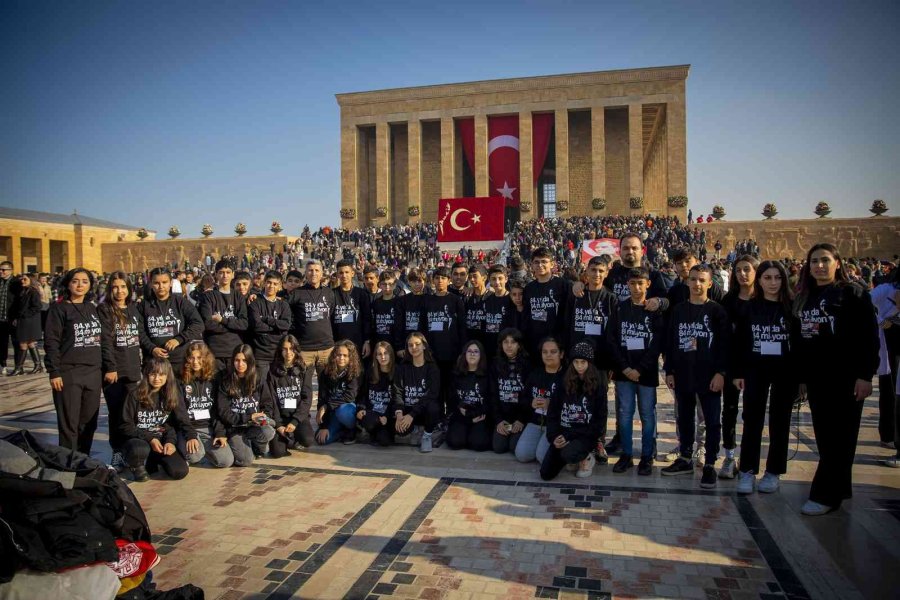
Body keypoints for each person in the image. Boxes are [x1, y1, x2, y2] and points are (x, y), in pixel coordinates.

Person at [794, 243, 878, 515]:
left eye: (825, 260)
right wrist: (802, 378)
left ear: (837, 263)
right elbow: (802, 341)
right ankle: (841, 487)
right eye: (814, 261)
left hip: (846, 378)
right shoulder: (805, 296)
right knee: (826, 436)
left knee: (840, 437)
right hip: (818, 378)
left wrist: (865, 375)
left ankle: (825, 495)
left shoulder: (852, 293)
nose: (819, 265)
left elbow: (869, 337)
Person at [732, 261, 798, 494]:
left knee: (780, 421)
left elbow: (800, 344)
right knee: (752, 421)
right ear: (759, 280)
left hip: (785, 371)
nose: (772, 283)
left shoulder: (793, 307)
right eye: (767, 278)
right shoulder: (749, 308)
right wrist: (738, 372)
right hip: (755, 369)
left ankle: (773, 471)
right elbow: (739, 342)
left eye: (777, 277)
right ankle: (747, 470)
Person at [661, 264, 730, 489]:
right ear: (687, 281)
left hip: (709, 375)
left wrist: (721, 372)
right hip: (683, 374)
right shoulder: (679, 310)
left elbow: (724, 346)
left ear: (710, 283)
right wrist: (669, 370)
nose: (697, 284)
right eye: (693, 279)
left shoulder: (717, 311)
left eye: (702, 280)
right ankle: (685, 457)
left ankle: (710, 463)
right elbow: (670, 342)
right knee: (685, 417)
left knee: (711, 421)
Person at [608, 267, 665, 476]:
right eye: (633, 283)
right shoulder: (620, 308)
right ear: (627, 285)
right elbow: (611, 339)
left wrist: (640, 369)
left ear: (648, 284)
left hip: (646, 372)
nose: (637, 287)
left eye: (641, 283)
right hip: (624, 371)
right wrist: (625, 367)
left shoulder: (653, 310)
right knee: (624, 413)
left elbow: (657, 343)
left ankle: (647, 456)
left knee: (648, 415)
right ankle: (626, 455)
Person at [44, 268, 103, 454]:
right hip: (69, 373)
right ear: (68, 284)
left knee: (89, 423)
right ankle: (69, 463)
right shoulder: (59, 309)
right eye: (75, 281)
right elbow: (51, 341)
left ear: (90, 285)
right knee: (69, 423)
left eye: (84, 281)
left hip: (93, 373)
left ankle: (83, 460)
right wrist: (54, 371)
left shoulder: (92, 308)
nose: (80, 285)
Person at [540, 342, 606, 480]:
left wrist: (570, 436)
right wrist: (553, 437)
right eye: (576, 362)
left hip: (585, 435)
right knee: (546, 474)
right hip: (564, 433)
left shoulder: (598, 385)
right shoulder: (563, 381)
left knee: (568, 454)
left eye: (583, 362)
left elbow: (599, 421)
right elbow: (553, 413)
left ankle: (586, 458)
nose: (580, 366)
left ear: (589, 362)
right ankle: (572, 456)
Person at [119, 357, 193, 482]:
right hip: (139, 439)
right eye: (153, 374)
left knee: (179, 472)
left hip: (161, 440)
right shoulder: (134, 394)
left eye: (161, 374)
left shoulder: (171, 395)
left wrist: (170, 441)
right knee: (139, 450)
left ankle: (154, 460)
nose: (157, 378)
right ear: (147, 374)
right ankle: (135, 464)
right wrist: (150, 438)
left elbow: (171, 424)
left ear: (167, 376)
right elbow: (125, 426)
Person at [719, 255, 758, 479]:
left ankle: (749, 459)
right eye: (739, 270)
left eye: (747, 269)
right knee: (730, 411)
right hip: (733, 363)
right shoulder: (729, 300)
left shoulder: (764, 299)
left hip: (755, 364)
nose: (743, 274)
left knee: (752, 414)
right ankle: (730, 456)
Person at [98, 272, 143, 467]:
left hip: (132, 369)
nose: (119, 291)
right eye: (115, 287)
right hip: (114, 371)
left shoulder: (133, 309)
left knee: (131, 413)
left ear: (129, 289)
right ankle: (117, 450)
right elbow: (105, 341)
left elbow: (140, 337)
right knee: (116, 413)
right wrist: (110, 367)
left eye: (123, 287)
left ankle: (131, 450)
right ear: (110, 289)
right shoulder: (104, 310)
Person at [214, 344, 276, 466]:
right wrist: (248, 417)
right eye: (237, 360)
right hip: (235, 427)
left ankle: (256, 446)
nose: (240, 364)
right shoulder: (225, 380)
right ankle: (242, 447)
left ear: (250, 361)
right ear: (233, 361)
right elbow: (223, 411)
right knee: (245, 461)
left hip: (254, 425)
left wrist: (263, 416)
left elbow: (267, 402)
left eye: (244, 360)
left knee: (268, 432)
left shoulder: (257, 378)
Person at [138, 267, 204, 375]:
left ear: (171, 283)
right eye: (156, 283)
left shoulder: (181, 303)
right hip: (153, 362)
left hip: (179, 361)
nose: (161, 286)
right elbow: (139, 331)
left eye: (164, 282)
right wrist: (152, 348)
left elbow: (198, 324)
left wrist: (179, 339)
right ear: (151, 284)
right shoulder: (143, 306)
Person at [179, 341, 234, 468]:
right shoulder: (180, 380)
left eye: (199, 358)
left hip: (208, 428)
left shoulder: (214, 380)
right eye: (192, 357)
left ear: (206, 359)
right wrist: (190, 434)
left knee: (226, 461)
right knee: (195, 456)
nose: (195, 361)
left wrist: (220, 433)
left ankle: (203, 448)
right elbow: (180, 412)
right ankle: (183, 447)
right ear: (187, 359)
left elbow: (218, 409)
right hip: (188, 428)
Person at [424, 267, 466, 425]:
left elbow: (462, 327)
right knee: (436, 389)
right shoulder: (427, 300)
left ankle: (452, 418)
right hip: (432, 354)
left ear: (449, 281)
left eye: (443, 278)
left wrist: (462, 351)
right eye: (437, 278)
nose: (440, 281)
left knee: (451, 387)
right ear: (433, 280)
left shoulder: (456, 300)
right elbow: (423, 326)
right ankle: (438, 418)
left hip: (452, 353)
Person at [515, 337, 565, 463]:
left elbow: (573, 404)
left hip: (556, 424)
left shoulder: (567, 376)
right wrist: (531, 402)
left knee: (543, 457)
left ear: (561, 354)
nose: (548, 355)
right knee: (523, 455)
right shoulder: (535, 374)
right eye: (545, 352)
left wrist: (551, 405)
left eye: (553, 352)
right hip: (536, 421)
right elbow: (523, 399)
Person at [287, 259, 336, 383]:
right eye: (310, 270)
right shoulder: (297, 293)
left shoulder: (329, 293)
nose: (313, 273)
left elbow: (331, 314)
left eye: (316, 270)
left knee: (327, 386)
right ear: (306, 273)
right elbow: (282, 306)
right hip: (305, 349)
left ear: (322, 273)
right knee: (303, 386)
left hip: (326, 348)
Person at [392, 332, 441, 453]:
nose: (414, 348)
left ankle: (427, 435)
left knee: (433, 407)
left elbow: (432, 395)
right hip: (408, 410)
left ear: (424, 346)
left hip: (422, 411)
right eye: (410, 345)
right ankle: (414, 429)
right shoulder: (402, 367)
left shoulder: (432, 368)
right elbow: (397, 391)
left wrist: (412, 415)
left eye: (417, 344)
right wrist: (399, 413)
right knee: (399, 431)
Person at [266, 334, 314, 456]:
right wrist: (278, 425)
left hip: (297, 417)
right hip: (281, 417)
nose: (288, 352)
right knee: (277, 453)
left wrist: (295, 421)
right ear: (280, 350)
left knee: (307, 440)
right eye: (285, 349)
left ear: (296, 350)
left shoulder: (303, 370)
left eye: (291, 349)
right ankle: (288, 439)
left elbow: (306, 399)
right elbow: (272, 401)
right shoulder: (272, 372)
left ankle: (293, 437)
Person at [522, 248, 571, 362]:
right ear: (532, 265)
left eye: (544, 261)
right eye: (536, 262)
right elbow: (526, 316)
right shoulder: (529, 288)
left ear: (552, 264)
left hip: (557, 344)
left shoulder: (563, 285)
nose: (540, 265)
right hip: (535, 345)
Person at [199, 259, 249, 371]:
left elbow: (244, 324)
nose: (224, 275)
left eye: (228, 272)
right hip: (215, 351)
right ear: (216, 274)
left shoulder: (239, 297)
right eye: (221, 272)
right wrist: (233, 325)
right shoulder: (208, 296)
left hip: (236, 351)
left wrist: (222, 320)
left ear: (233, 274)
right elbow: (208, 324)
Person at [314, 340, 363, 445]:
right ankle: (342, 432)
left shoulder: (356, 372)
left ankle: (352, 429)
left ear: (351, 357)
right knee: (321, 439)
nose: (341, 358)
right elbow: (322, 398)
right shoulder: (325, 372)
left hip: (348, 409)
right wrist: (324, 426)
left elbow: (349, 397)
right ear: (333, 355)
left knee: (343, 411)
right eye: (338, 355)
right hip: (332, 412)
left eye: (345, 355)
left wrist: (326, 406)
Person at [447, 340, 492, 451]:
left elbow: (491, 401)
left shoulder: (487, 376)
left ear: (481, 355)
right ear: (464, 354)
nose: (472, 354)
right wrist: (464, 415)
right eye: (469, 351)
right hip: (461, 416)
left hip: (480, 416)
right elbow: (451, 400)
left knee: (478, 444)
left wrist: (475, 414)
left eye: (476, 351)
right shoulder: (456, 375)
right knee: (455, 443)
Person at [249, 270, 292, 385]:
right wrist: (277, 326)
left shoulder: (283, 304)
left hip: (279, 354)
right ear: (264, 283)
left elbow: (286, 325)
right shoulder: (255, 302)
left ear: (279, 286)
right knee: (261, 388)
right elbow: (257, 326)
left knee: (279, 388)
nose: (271, 286)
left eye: (275, 283)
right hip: (261, 354)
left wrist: (267, 319)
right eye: (269, 282)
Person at [491, 328, 528, 454]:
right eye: (505, 342)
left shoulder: (528, 365)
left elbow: (529, 395)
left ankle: (516, 433)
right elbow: (493, 394)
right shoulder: (495, 364)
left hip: (520, 419)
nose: (509, 345)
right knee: (499, 447)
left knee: (514, 447)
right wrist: (499, 420)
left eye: (513, 342)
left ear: (519, 345)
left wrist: (522, 419)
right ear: (501, 344)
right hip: (503, 419)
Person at [359, 341, 396, 447]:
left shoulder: (397, 373)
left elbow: (397, 398)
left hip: (388, 415)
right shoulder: (370, 373)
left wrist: (387, 416)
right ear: (375, 356)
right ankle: (372, 431)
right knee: (369, 421)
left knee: (385, 441)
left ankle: (382, 432)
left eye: (386, 353)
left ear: (391, 355)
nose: (383, 357)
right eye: (379, 354)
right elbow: (363, 394)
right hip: (373, 413)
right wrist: (360, 409)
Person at [331, 259, 371, 359]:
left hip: (358, 343)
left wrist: (367, 341)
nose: (344, 275)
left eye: (347, 272)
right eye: (341, 272)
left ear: (352, 273)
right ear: (337, 274)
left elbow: (367, 319)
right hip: (337, 343)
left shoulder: (361, 294)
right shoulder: (331, 294)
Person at [8, 274, 43, 375]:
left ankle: (19, 368)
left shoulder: (33, 292)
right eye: (21, 279)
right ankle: (38, 365)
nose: (22, 281)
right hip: (27, 320)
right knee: (30, 343)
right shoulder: (24, 291)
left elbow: (37, 306)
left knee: (23, 344)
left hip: (28, 321)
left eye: (25, 279)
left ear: (31, 280)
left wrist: (23, 315)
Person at [482, 265, 515, 359]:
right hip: (490, 348)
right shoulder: (487, 300)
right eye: (493, 279)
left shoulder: (512, 300)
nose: (497, 282)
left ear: (506, 279)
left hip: (507, 349)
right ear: (489, 280)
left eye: (500, 278)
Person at [0, 261, 15, 375]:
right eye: (0, 269)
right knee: (2, 343)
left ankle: (18, 366)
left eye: (4, 270)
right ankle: (3, 364)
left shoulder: (16, 283)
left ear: (10, 270)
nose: (1, 272)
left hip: (12, 318)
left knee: (16, 343)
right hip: (1, 319)